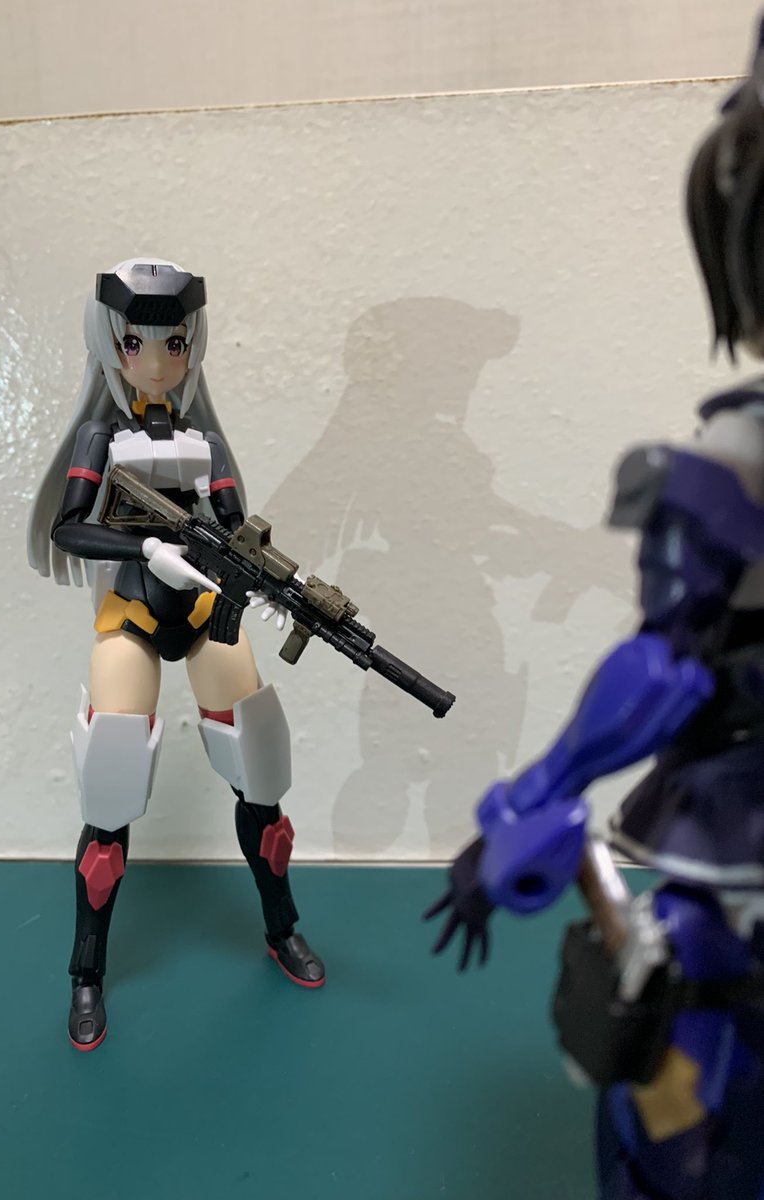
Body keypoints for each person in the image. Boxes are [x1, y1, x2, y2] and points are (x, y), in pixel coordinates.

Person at [429, 21, 764, 1200]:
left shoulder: (731, 465)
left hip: (736, 850)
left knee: (677, 1131)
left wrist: (536, 792)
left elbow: (668, 668)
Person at [28, 258, 324, 1051]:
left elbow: (236, 532)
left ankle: (281, 926)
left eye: (174, 343)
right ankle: (87, 972)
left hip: (202, 611)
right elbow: (69, 526)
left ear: (194, 343)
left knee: (260, 761)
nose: (157, 361)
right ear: (110, 345)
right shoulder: (102, 437)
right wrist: (147, 547)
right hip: (132, 609)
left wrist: (276, 580)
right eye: (136, 343)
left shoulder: (205, 444)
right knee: (113, 775)